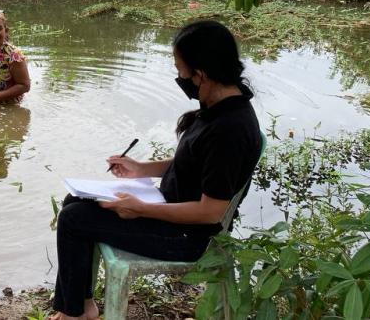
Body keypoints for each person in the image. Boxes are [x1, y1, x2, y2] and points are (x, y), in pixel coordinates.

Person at [49, 20, 263, 320]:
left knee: (73, 219)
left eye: (181, 71)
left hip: (187, 238)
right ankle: (81, 306)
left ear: (201, 75)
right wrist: (141, 169)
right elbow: (196, 165)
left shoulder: (230, 130)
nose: (180, 78)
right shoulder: (218, 104)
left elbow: (210, 212)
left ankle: (76, 313)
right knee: (75, 203)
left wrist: (139, 209)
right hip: (169, 210)